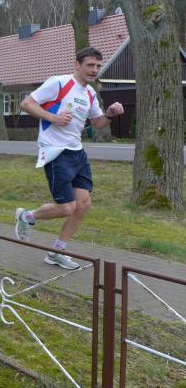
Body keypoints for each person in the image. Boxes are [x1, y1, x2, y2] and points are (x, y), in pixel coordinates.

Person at [14, 46, 124, 269]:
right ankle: (27, 216)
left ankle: (56, 252)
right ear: (77, 65)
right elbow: (26, 104)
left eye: (98, 66)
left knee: (83, 205)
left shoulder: (90, 93)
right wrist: (53, 117)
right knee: (66, 208)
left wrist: (110, 114)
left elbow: (98, 123)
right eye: (90, 65)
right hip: (56, 152)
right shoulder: (59, 83)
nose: (94, 70)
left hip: (77, 153)